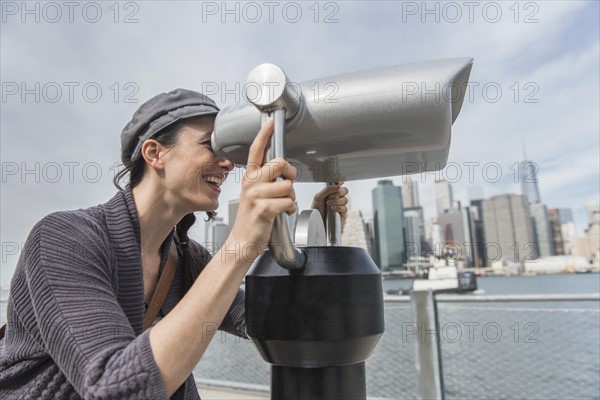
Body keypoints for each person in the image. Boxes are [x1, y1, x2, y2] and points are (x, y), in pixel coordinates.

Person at [0, 89, 349, 399]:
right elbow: (112, 389)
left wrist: (313, 245)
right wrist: (240, 245)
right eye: (210, 146)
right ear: (154, 153)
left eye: (227, 150)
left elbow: (272, 322)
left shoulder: (185, 258)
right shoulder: (64, 238)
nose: (227, 163)